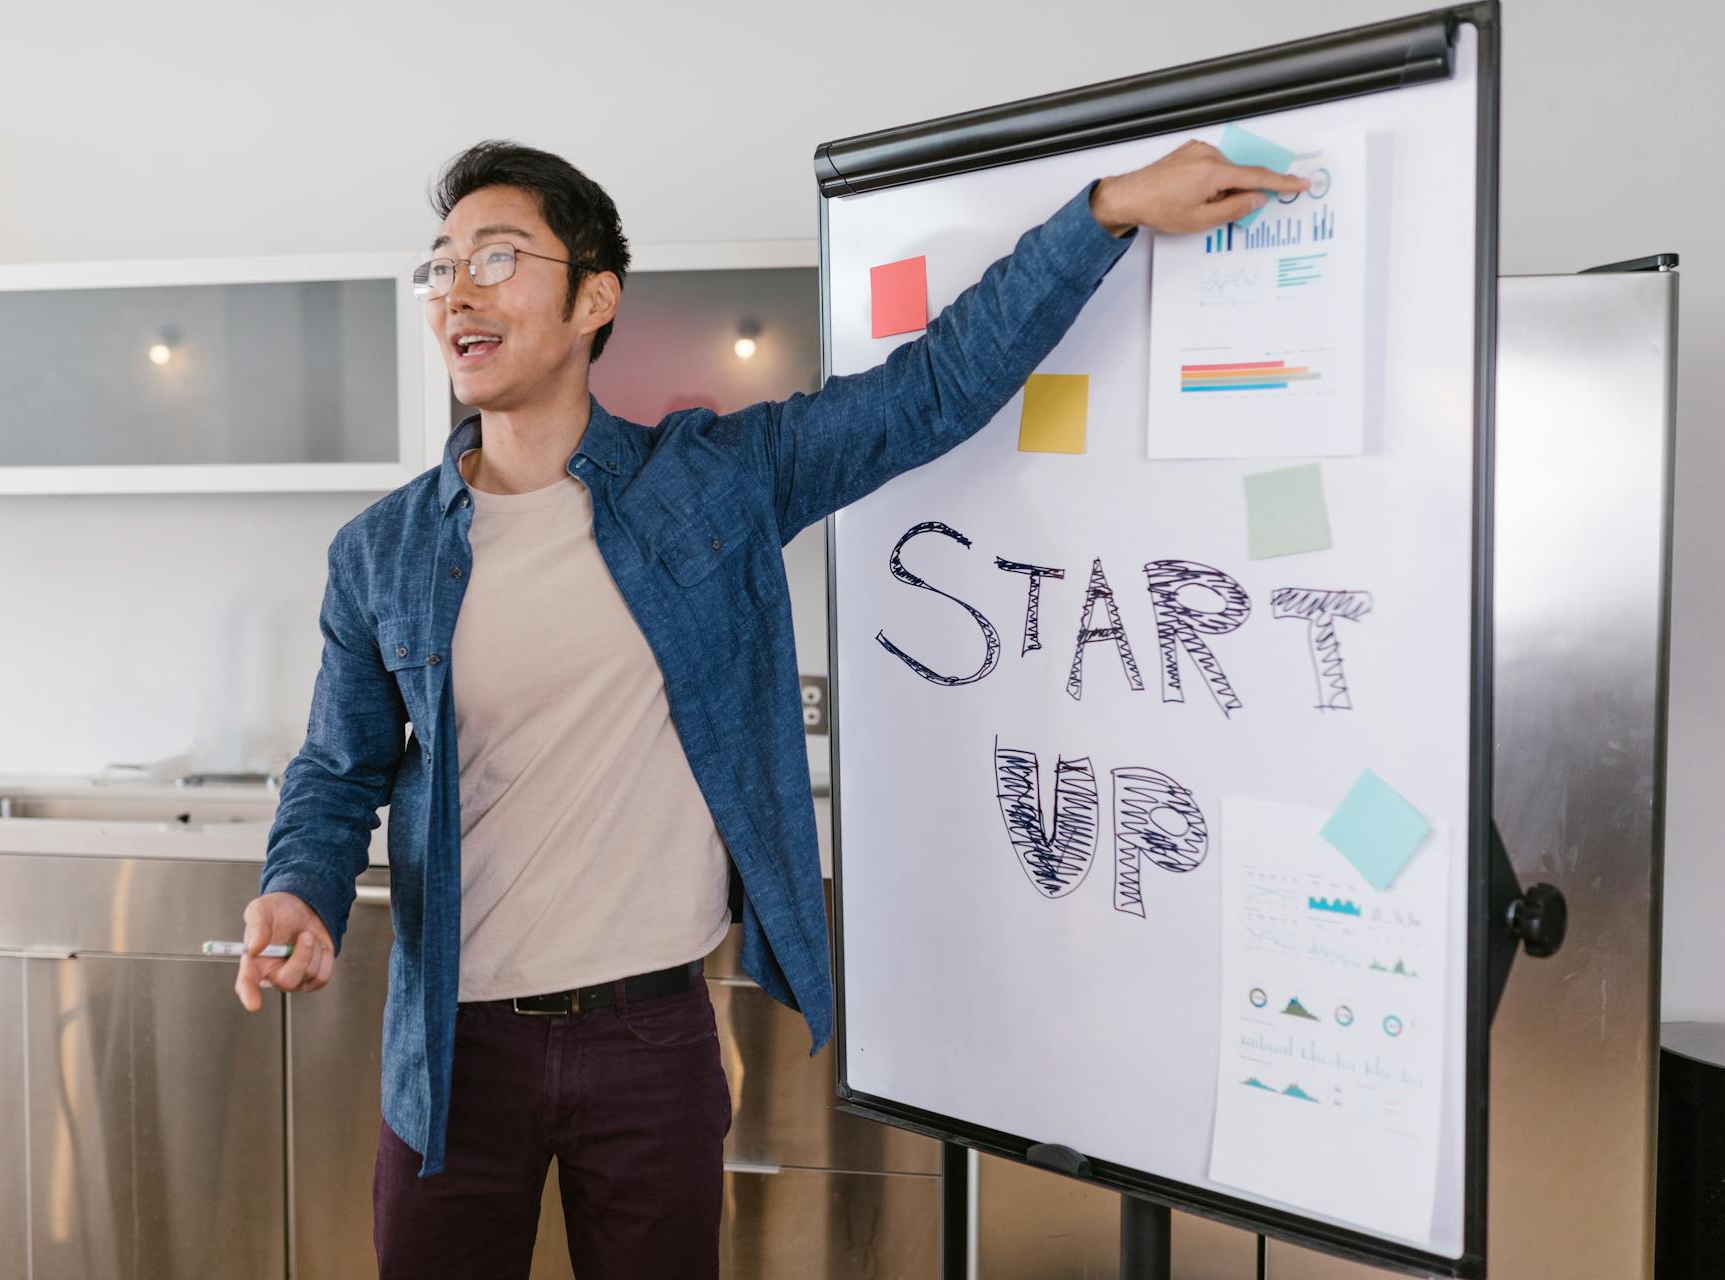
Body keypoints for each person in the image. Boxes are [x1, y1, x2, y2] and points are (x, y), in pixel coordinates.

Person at [234, 137, 1307, 1278]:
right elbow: (339, 769)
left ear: (595, 297)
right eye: (441, 267)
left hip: (649, 1040)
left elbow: (930, 391)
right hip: (451, 1049)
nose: (457, 291)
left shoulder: (711, 484)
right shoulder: (382, 553)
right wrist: (298, 885)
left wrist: (1106, 212)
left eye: (497, 258)